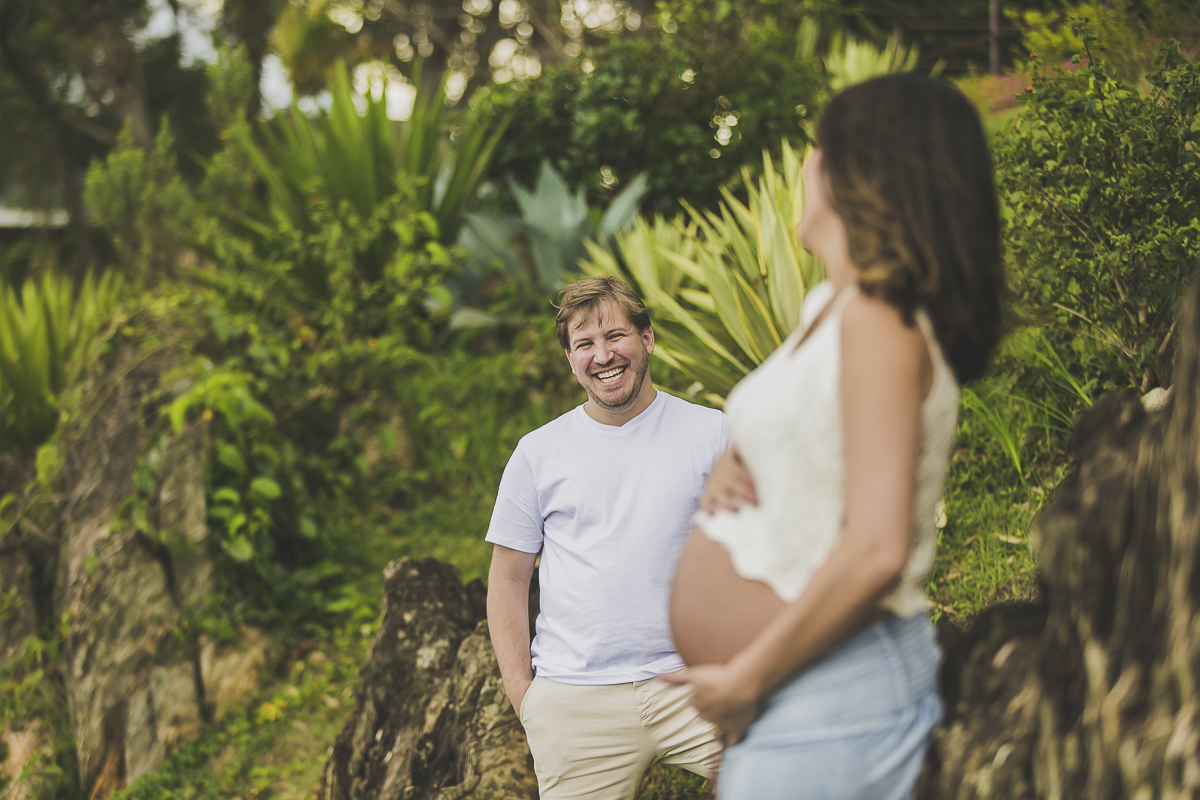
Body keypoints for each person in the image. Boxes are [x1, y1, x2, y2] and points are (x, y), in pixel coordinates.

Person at [664, 72, 1005, 799]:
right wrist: (741, 453)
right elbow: (817, 443)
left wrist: (746, 679)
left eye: (821, 148)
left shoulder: (880, 320)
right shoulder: (830, 307)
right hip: (793, 692)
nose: (806, 165)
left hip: (825, 687)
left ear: (869, 175)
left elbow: (877, 548)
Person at [485, 276, 728, 799]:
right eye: (584, 344)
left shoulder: (713, 435)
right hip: (575, 701)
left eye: (615, 335)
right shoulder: (537, 453)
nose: (603, 355)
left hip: (696, 683)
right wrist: (525, 698)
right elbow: (507, 579)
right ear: (570, 359)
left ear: (648, 339)